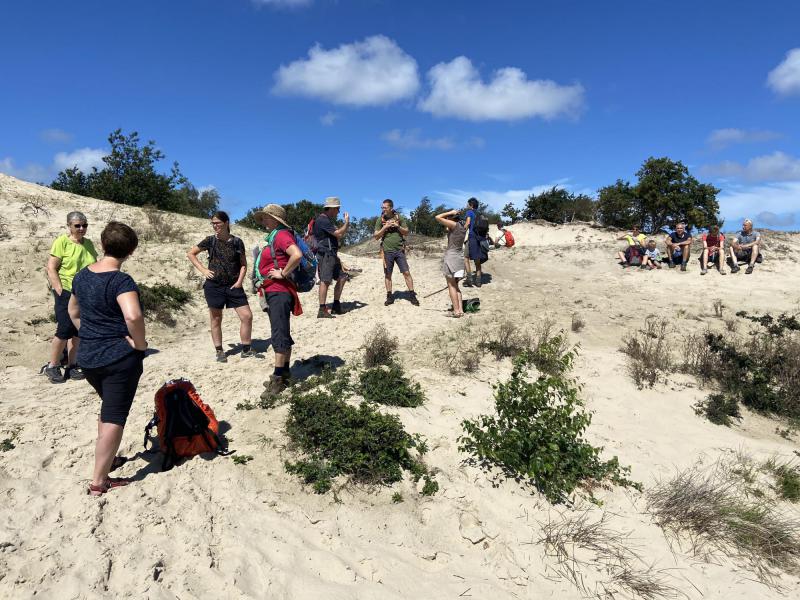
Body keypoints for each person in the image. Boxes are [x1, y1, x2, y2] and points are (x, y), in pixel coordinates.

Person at [67, 221, 146, 496]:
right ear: (131, 251)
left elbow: (73, 312)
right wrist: (140, 344)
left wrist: (89, 334)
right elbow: (133, 315)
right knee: (115, 415)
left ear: (102, 244)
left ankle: (108, 457)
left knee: (108, 408)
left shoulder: (81, 276)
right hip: (118, 358)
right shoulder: (120, 280)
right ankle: (99, 481)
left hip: (88, 356)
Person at [187, 211, 253, 362]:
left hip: (234, 285)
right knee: (216, 318)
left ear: (226, 223)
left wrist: (240, 281)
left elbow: (243, 264)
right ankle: (219, 351)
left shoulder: (237, 242)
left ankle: (246, 349)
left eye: (218, 223)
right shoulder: (210, 241)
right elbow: (191, 254)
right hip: (214, 286)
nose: (215, 226)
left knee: (247, 316)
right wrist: (203, 270)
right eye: (213, 223)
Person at [252, 204, 303, 396]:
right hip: (276, 291)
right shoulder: (276, 236)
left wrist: (283, 273)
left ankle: (277, 379)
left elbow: (296, 255)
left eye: (266, 217)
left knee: (279, 334)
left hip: (279, 291)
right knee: (282, 331)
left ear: (275, 219)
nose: (263, 220)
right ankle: (286, 373)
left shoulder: (281, 235)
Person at [43, 211, 98, 383]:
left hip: (84, 292)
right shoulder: (62, 242)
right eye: (77, 225)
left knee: (78, 329)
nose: (81, 228)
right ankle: (52, 365)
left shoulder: (88, 244)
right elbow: (51, 267)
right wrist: (59, 289)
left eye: (84, 225)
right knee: (64, 328)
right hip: (66, 291)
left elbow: (94, 266)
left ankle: (72, 365)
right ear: (69, 226)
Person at [374, 198, 419, 306]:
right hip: (386, 251)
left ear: (391, 208)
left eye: (385, 207)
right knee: (388, 274)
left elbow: (407, 232)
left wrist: (397, 226)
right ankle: (389, 296)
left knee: (406, 272)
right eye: (382, 207)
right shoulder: (380, 220)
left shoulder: (399, 218)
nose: (383, 209)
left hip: (399, 250)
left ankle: (412, 295)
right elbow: (376, 236)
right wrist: (385, 227)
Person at [313, 196, 349, 318]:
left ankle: (336, 306)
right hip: (326, 254)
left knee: (343, 276)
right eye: (338, 209)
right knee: (325, 280)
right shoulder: (323, 220)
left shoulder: (327, 221)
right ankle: (322, 309)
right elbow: (338, 233)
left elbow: (337, 234)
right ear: (332, 208)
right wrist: (347, 222)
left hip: (331, 254)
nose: (338, 212)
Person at [436, 209, 467, 317]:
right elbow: (446, 227)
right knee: (456, 285)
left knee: (451, 285)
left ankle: (456, 311)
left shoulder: (454, 225)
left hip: (451, 257)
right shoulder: (462, 227)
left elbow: (438, 217)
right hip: (459, 257)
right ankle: (460, 310)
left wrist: (449, 213)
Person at [463, 197, 488, 287]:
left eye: (467, 204)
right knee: (477, 260)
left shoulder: (469, 212)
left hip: (472, 238)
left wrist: (462, 231)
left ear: (471, 205)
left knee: (466, 258)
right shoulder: (480, 214)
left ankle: (469, 280)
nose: (466, 205)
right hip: (480, 238)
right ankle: (478, 281)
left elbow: (468, 223)